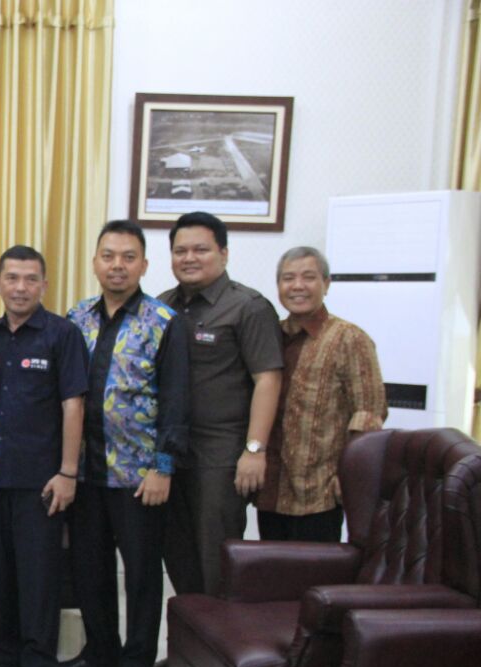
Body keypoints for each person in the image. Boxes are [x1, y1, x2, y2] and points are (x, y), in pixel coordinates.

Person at [64, 220, 189, 667]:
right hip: (87, 470)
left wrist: (164, 467)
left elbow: (177, 400)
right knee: (90, 568)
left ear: (144, 264)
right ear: (95, 261)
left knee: (139, 572)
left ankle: (135, 661)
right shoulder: (78, 318)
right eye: (109, 255)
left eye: (128, 256)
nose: (118, 265)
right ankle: (101, 651)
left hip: (140, 475)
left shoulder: (163, 322)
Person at [0, 245, 87, 667]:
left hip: (42, 478)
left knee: (38, 573)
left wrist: (67, 472)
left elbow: (73, 404)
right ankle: (1, 653)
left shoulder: (62, 335)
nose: (20, 287)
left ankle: (37, 660)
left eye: (29, 279)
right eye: (12, 278)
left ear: (44, 285)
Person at [158, 211, 282, 597]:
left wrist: (255, 450)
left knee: (216, 554)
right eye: (180, 251)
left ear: (224, 254)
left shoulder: (248, 307)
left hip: (221, 453)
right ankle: (187, 652)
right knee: (176, 552)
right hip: (170, 452)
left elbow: (268, 379)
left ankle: (218, 652)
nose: (189, 258)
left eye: (201, 249)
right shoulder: (162, 305)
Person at [256, 246, 386, 541]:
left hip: (320, 490)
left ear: (326, 284)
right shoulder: (271, 336)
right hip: (272, 487)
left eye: (309, 277)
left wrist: (350, 476)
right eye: (288, 278)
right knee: (269, 576)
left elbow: (369, 412)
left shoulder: (349, 338)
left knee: (313, 579)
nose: (297, 286)